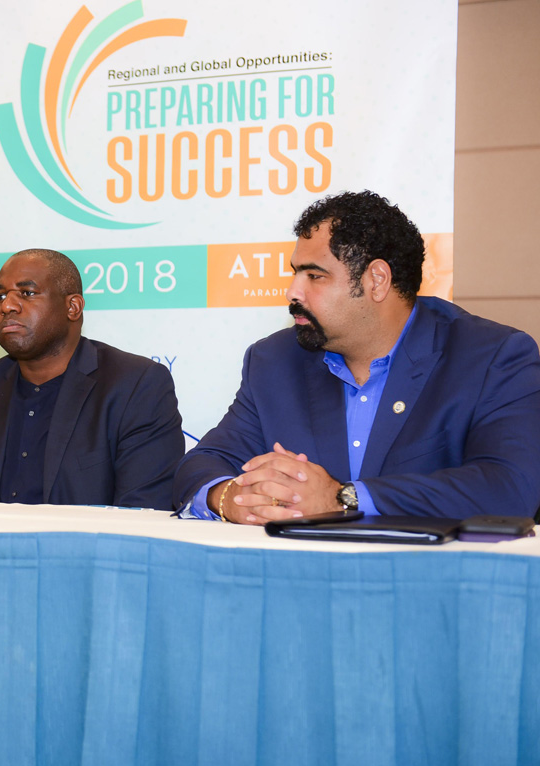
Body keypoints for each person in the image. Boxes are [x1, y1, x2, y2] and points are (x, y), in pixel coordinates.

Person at [174, 190, 540, 523]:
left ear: (376, 280)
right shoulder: (275, 360)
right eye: (296, 273)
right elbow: (203, 464)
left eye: (314, 276)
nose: (292, 292)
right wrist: (229, 498)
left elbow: (510, 487)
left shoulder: (492, 357)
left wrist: (343, 499)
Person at [0, 248, 185, 508]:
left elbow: (143, 511)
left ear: (72, 307)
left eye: (27, 293)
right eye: (0, 297)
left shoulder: (135, 386)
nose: (7, 306)